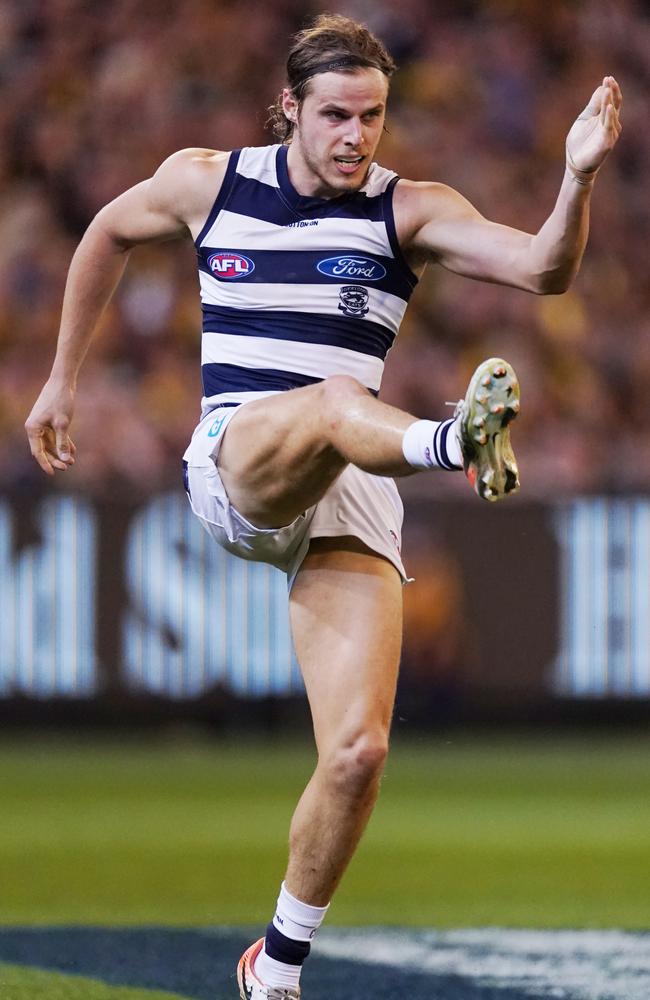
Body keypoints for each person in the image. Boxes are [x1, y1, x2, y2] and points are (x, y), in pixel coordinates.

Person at [25, 13, 622, 999]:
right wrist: (61, 379)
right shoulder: (207, 182)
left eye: (373, 115)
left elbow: (543, 269)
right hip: (241, 454)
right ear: (290, 110)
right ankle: (450, 443)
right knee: (338, 404)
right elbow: (104, 232)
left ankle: (277, 963)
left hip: (351, 478)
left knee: (357, 751)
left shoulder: (406, 210)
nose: (356, 136)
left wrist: (578, 176)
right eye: (336, 115)